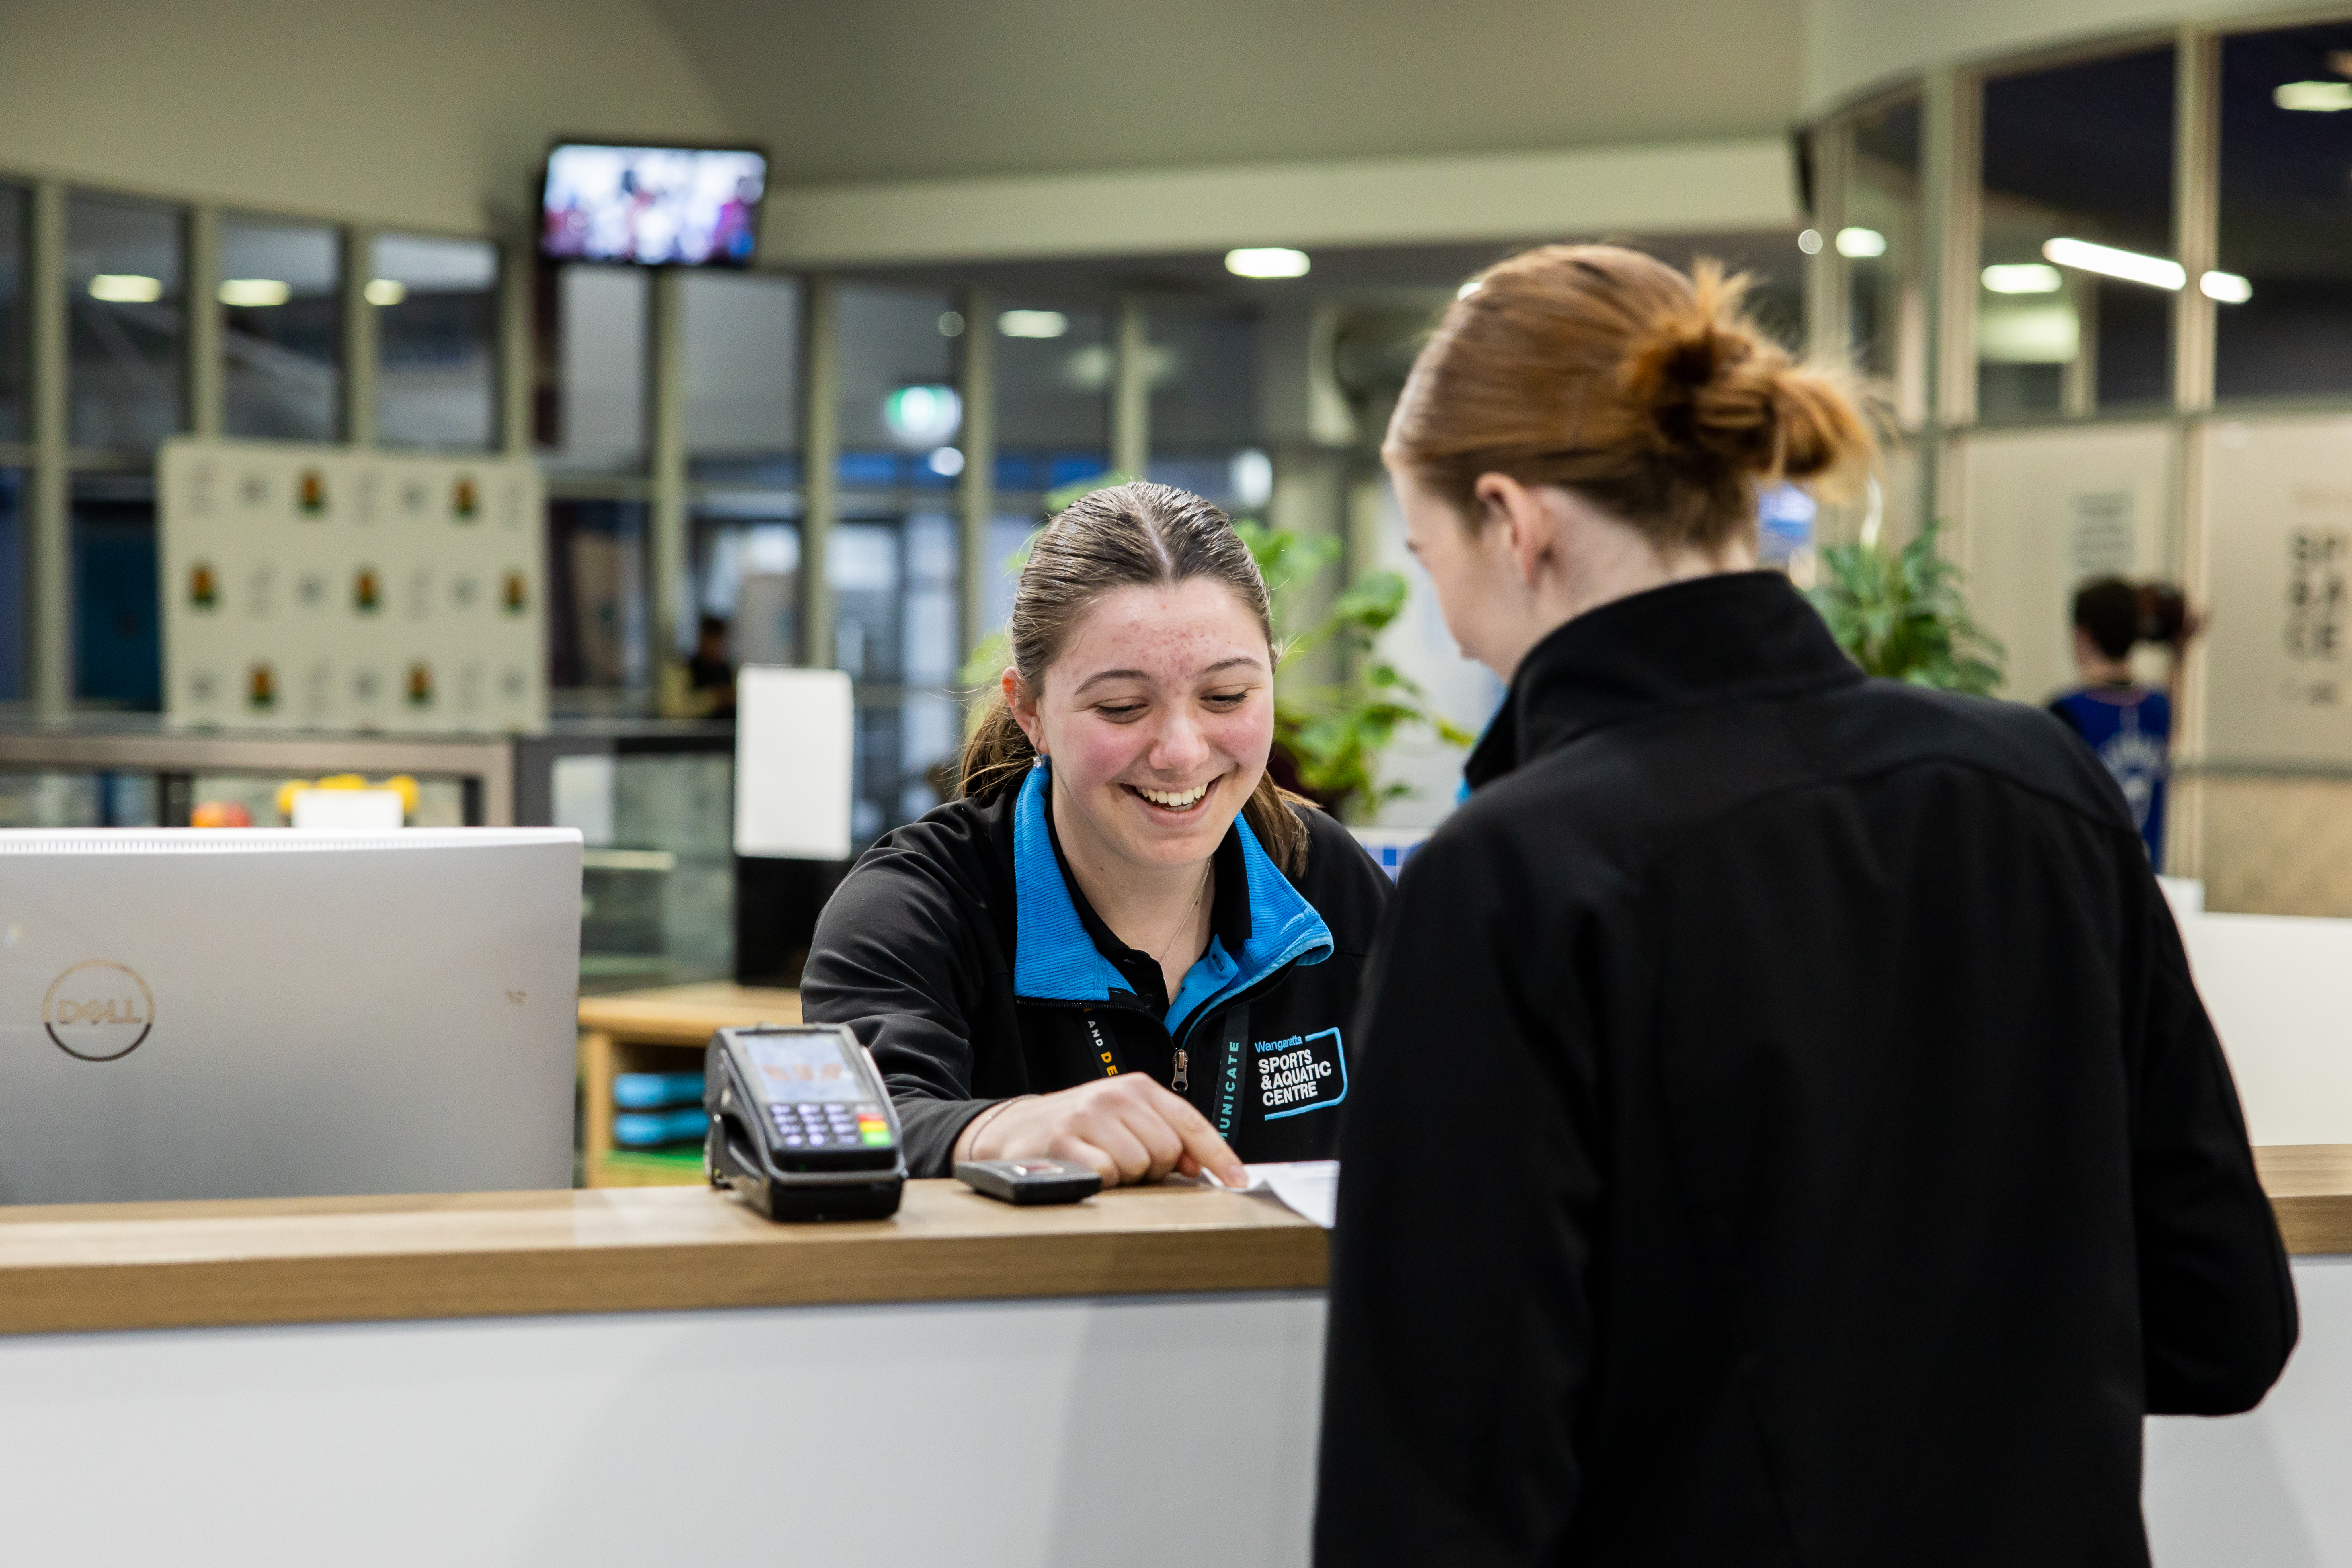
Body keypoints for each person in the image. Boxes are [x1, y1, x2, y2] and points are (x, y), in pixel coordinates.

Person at [1314, 246, 2295, 1566]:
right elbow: (2221, 1321)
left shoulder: (1514, 876)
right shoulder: (2038, 791)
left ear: (1514, 518)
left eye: (1432, 563)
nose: (1456, 625)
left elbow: (1438, 1491)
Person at [800, 481, 1392, 1186]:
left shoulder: (1328, 883)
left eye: (1226, 696)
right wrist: (999, 1128)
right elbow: (836, 1131)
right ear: (1031, 713)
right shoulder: (918, 907)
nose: (1180, 750)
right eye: (1120, 706)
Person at [2049, 576, 2175, 864]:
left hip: (2087, 883)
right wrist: (2179, 651)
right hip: (2145, 881)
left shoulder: (2067, 711)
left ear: (2082, 635)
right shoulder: (2157, 707)